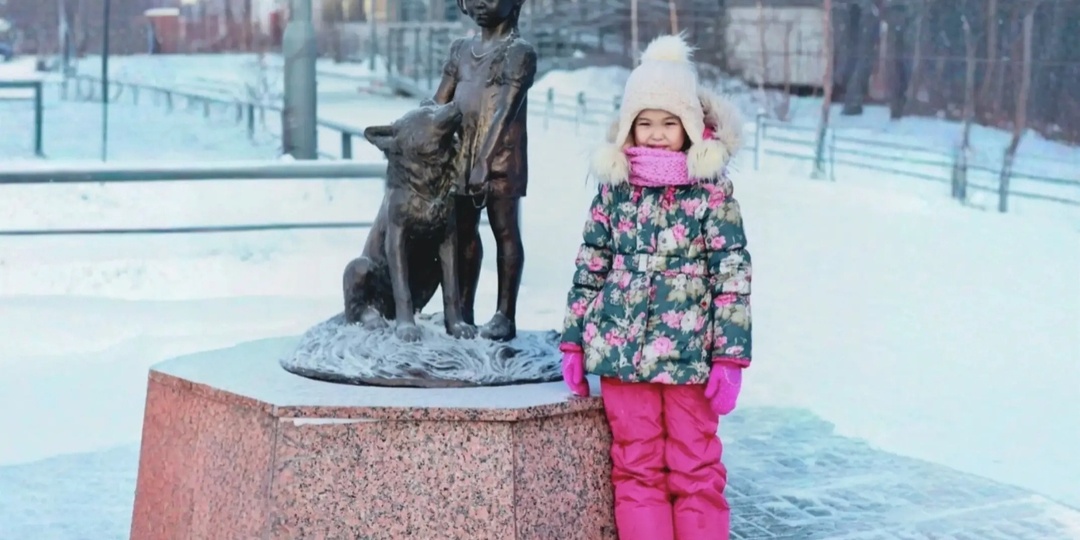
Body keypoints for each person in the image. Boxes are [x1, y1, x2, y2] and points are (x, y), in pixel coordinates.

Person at [558, 33, 752, 540]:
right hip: (621, 355)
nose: (658, 134)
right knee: (636, 466)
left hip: (691, 357)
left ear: (690, 126)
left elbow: (731, 275)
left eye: (670, 123)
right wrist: (575, 339)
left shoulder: (710, 193)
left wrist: (730, 357)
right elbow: (590, 265)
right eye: (646, 123)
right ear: (629, 126)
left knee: (695, 467)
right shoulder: (614, 192)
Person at [432, 0, 537, 342]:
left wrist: (485, 162)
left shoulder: (518, 53)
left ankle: (505, 315)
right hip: (461, 154)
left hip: (501, 158)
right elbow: (439, 104)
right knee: (463, 233)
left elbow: (504, 113)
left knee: (504, 231)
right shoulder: (460, 50)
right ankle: (463, 312)